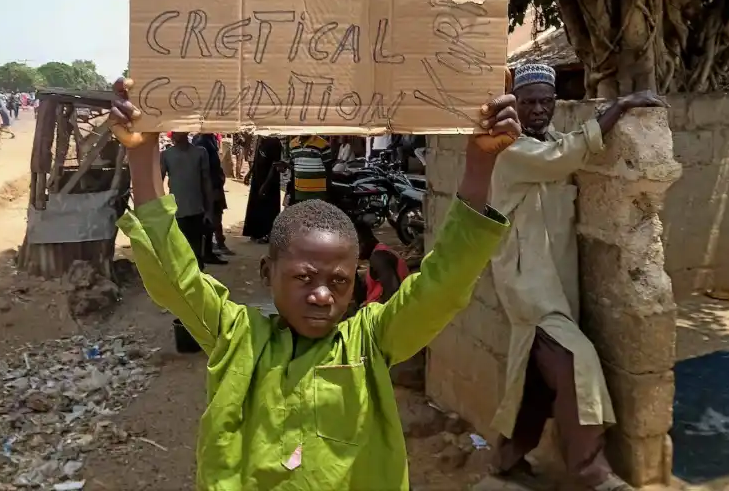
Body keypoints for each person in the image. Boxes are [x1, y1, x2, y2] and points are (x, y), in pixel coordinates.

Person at [111, 79, 517, 489]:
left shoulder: (371, 342)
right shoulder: (237, 338)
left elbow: (443, 282)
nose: (322, 295)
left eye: (338, 281)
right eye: (303, 277)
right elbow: (174, 275)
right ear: (267, 273)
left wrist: (480, 164)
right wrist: (141, 154)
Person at [486, 64, 667, 491]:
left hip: (555, 288)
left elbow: (564, 151)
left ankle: (507, 457)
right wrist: (620, 106)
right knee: (575, 362)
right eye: (528, 102)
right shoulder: (510, 151)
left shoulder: (550, 140)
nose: (537, 110)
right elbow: (565, 157)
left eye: (545, 102)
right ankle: (591, 471)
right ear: (515, 105)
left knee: (535, 378)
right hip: (528, 288)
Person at [160, 132, 217, 270]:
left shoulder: (200, 152)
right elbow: (158, 181)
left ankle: (197, 275)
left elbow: (206, 181)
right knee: (179, 250)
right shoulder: (166, 155)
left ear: (185, 132)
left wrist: (209, 210)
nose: (175, 135)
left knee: (196, 252)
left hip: (197, 209)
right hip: (177, 210)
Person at [193, 133, 233, 260]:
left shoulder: (208, 140)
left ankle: (213, 245)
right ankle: (213, 246)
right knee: (213, 215)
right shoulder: (202, 143)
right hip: (211, 185)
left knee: (215, 214)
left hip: (213, 184)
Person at [241, 136, 283, 243]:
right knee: (255, 205)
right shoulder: (261, 139)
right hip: (257, 179)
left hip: (269, 182)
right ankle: (255, 232)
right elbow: (257, 159)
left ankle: (267, 234)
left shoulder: (274, 142)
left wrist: (266, 185)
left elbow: (274, 165)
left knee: (268, 208)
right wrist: (249, 173)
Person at [287, 134, 332, 204]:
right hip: (299, 191)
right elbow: (294, 166)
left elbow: (329, 169)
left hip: (318, 192)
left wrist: (328, 192)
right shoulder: (292, 144)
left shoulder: (323, 144)